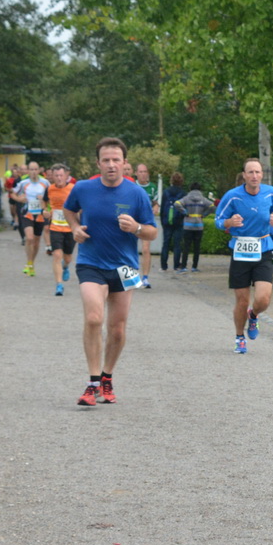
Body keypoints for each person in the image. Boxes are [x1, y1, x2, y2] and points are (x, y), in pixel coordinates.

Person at [66, 137, 157, 406]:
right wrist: (75, 228)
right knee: (94, 318)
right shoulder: (83, 188)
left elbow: (152, 231)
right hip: (91, 263)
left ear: (124, 163)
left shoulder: (136, 193)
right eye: (106, 160)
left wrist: (136, 228)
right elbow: (69, 210)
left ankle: (107, 376)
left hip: (125, 267)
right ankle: (93, 382)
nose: (111, 165)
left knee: (117, 329)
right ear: (98, 163)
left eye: (116, 160)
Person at [217, 159, 273, 352]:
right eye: (250, 172)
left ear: (262, 175)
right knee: (242, 301)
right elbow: (218, 220)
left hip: (263, 249)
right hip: (241, 252)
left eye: (257, 172)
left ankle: (253, 315)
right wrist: (230, 222)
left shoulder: (270, 192)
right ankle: (239, 337)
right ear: (244, 175)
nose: (254, 176)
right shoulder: (233, 196)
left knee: (263, 299)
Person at [12, 161, 50, 276]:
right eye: (31, 169)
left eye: (35, 169)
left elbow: (50, 197)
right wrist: (19, 199)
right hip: (27, 213)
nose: (33, 172)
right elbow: (12, 193)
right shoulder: (23, 183)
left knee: (37, 241)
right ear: (28, 171)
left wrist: (44, 200)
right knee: (29, 238)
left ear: (39, 170)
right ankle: (28, 262)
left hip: (40, 214)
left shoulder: (45, 183)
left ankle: (31, 263)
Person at [45, 163, 77, 296]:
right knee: (57, 255)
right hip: (55, 227)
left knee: (68, 257)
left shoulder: (73, 189)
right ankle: (59, 285)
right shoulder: (49, 189)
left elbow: (79, 205)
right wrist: (45, 211)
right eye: (56, 175)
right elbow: (45, 203)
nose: (59, 178)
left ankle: (66, 266)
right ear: (52, 176)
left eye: (61, 175)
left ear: (66, 176)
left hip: (70, 228)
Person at [174, 184, 215, 274]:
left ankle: (184, 267)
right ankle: (194, 267)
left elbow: (177, 204)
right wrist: (204, 214)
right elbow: (212, 206)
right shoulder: (203, 199)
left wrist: (185, 212)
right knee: (197, 247)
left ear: (190, 189)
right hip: (199, 226)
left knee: (186, 247)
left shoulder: (186, 198)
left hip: (188, 226)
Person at [159, 172, 188, 272]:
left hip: (167, 221)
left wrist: (162, 221)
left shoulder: (166, 192)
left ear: (171, 180)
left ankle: (163, 266)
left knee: (165, 243)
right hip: (179, 221)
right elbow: (184, 209)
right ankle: (176, 265)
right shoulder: (183, 193)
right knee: (177, 244)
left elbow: (162, 208)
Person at [133, 162, 155, 285]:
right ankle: (131, 277)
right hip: (133, 220)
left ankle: (145, 277)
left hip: (146, 221)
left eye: (145, 171)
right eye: (140, 172)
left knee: (146, 248)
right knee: (130, 248)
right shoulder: (132, 185)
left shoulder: (152, 187)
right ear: (136, 173)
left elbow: (156, 203)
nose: (143, 174)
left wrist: (155, 208)